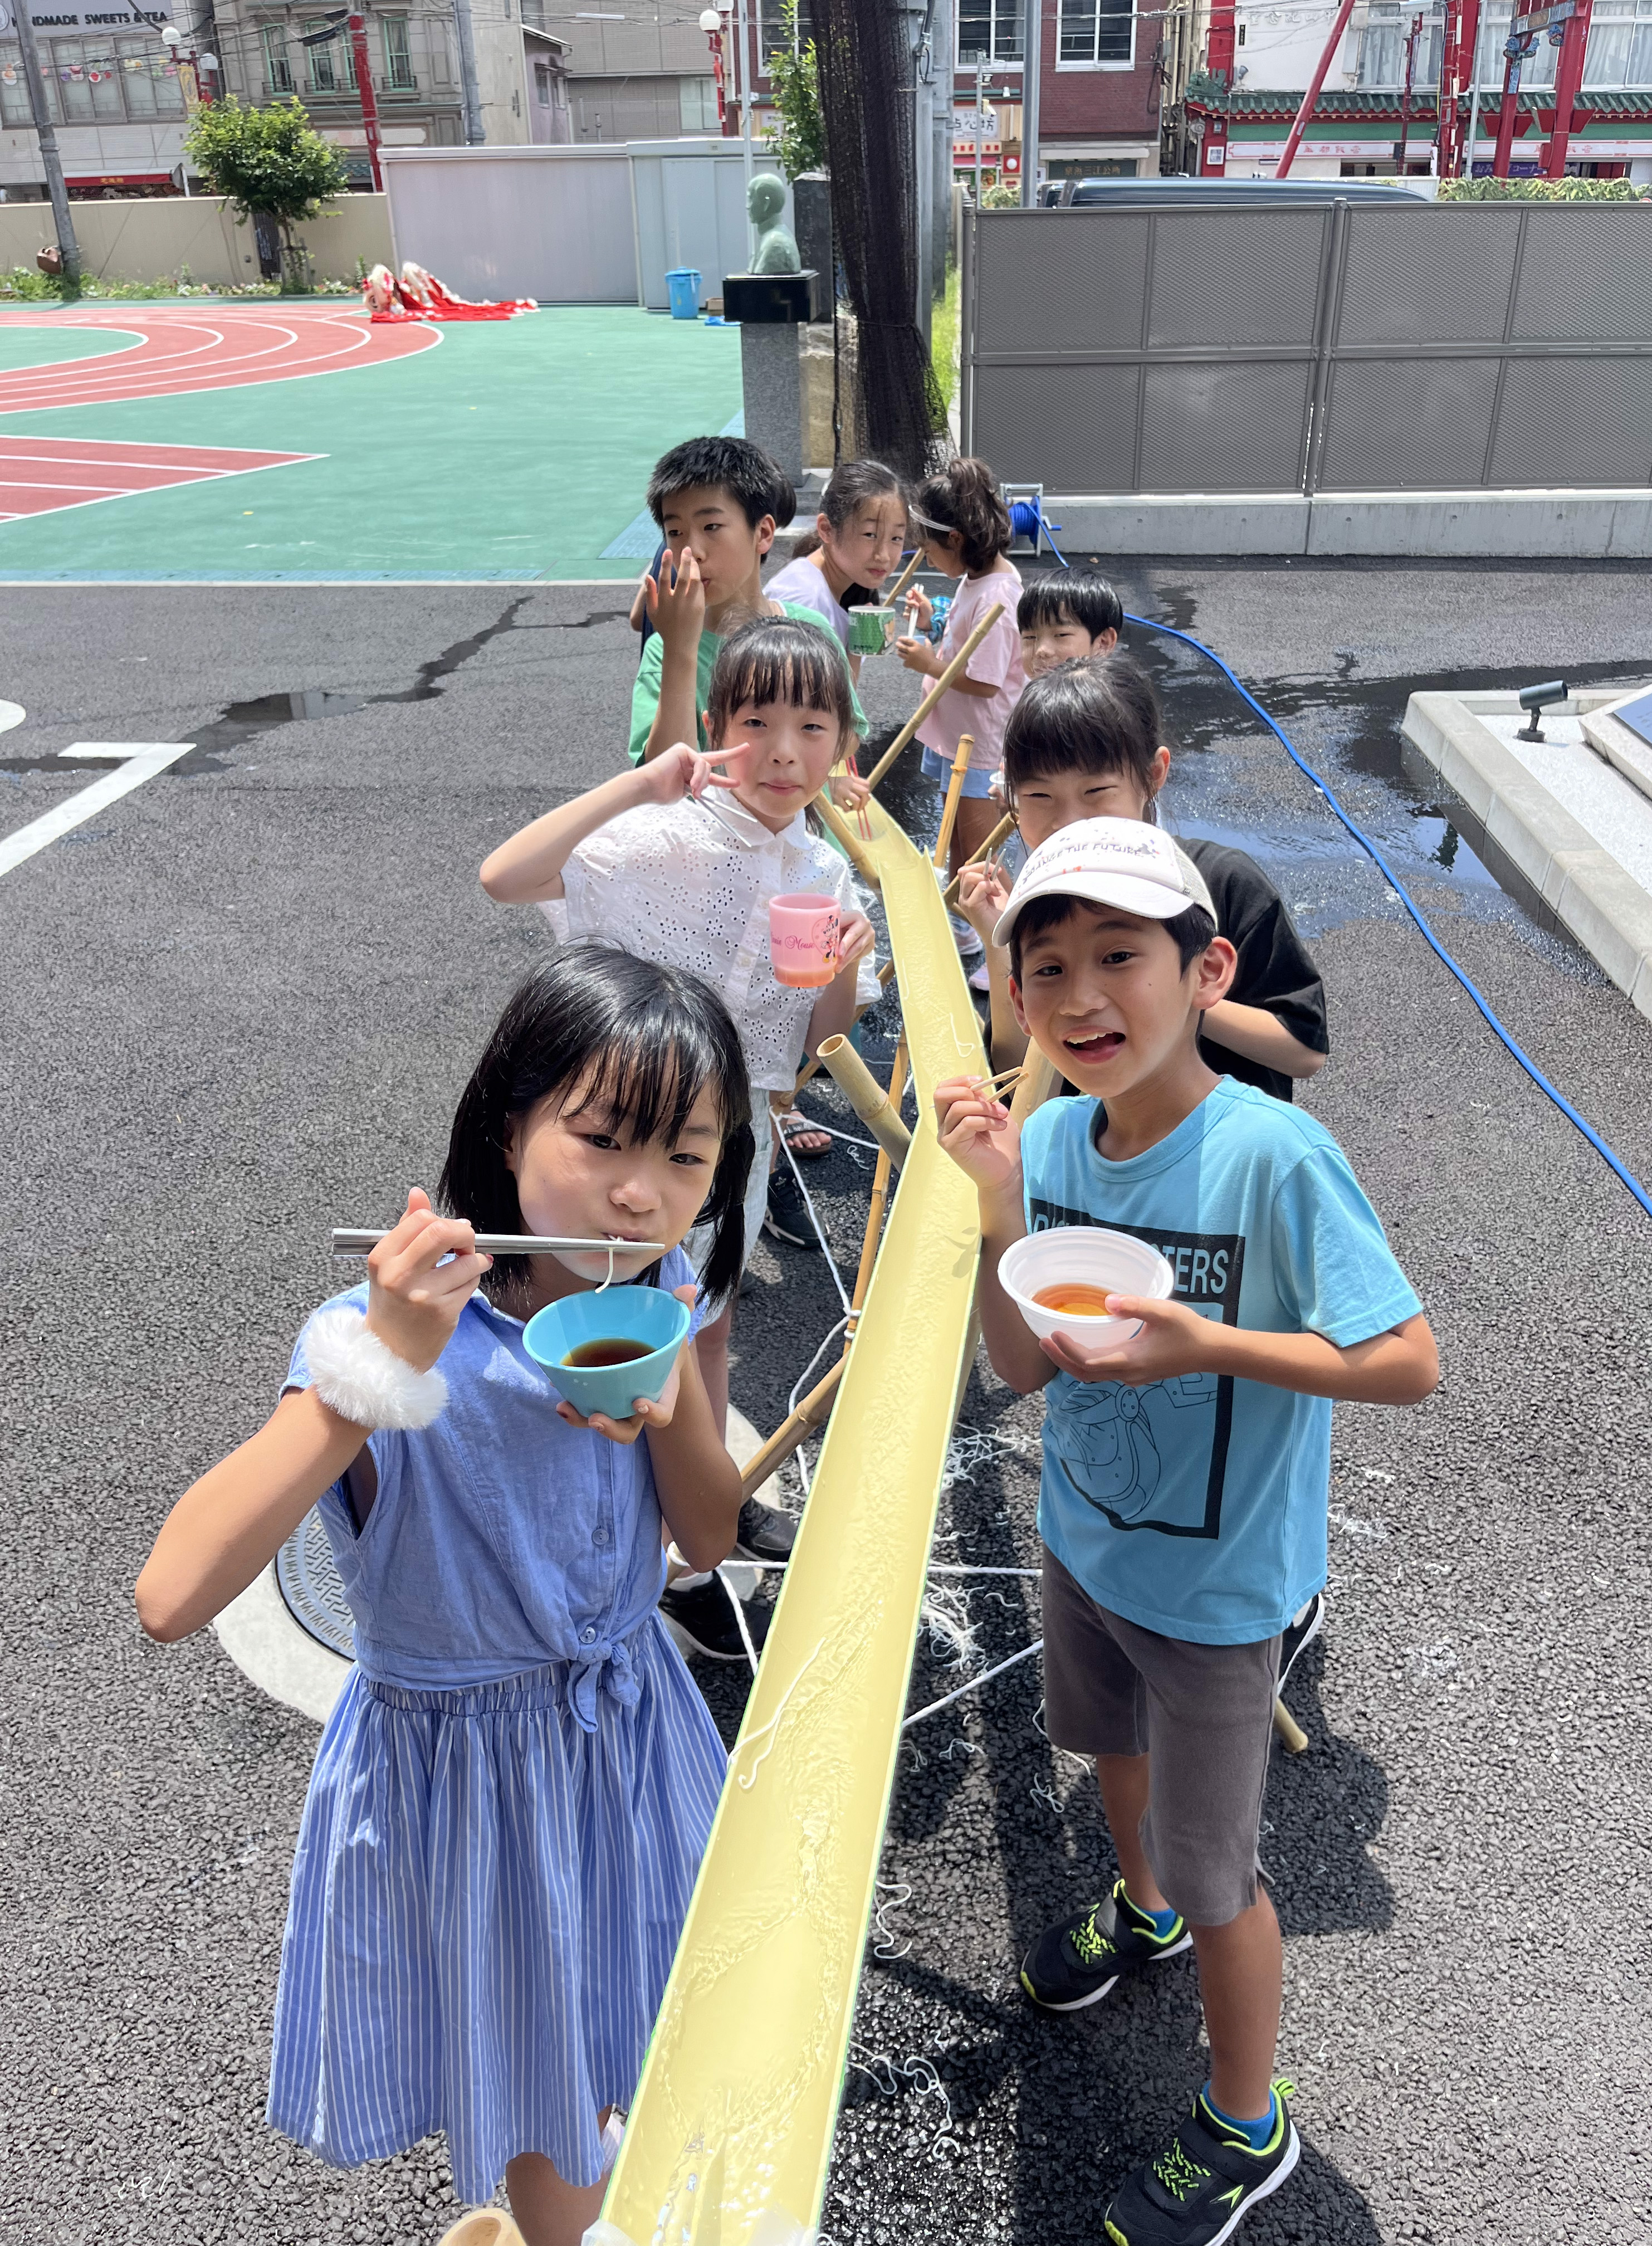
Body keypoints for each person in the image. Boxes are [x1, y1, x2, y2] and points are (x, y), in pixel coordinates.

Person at [134, 945, 757, 2246]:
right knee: (542, 2089)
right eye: (600, 1139)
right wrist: (376, 1369)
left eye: (687, 1159)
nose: (642, 1196)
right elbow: (175, 1590)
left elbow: (704, 1536)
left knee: (632, 2020)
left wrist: (668, 1414)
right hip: (470, 1785)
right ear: (509, 1123)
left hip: (629, 1734)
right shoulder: (386, 1337)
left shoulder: (662, 1295)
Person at [934, 821, 1438, 2246]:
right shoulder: (1044, 1143)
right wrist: (993, 1214)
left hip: (1220, 1593)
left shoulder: (1274, 1158)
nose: (1084, 998)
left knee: (1228, 1877)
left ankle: (1244, 2118)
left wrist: (1206, 1343)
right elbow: (1024, 1371)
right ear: (1019, 999)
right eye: (1049, 971)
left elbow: (1407, 1361)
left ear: (1206, 968)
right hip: (1086, 1539)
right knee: (1110, 1756)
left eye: (1119, 959)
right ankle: (1134, 1906)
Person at [479, 617, 877, 1655]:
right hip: (626, 1155)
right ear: (715, 728)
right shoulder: (661, 839)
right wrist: (643, 784)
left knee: (706, 1325)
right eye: (755, 721)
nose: (784, 750)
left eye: (811, 723)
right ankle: (637, 1565)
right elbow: (506, 875)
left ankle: (706, 1518)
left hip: (728, 1154)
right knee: (611, 1354)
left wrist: (843, 960)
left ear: (841, 742)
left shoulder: (825, 873)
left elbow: (821, 1043)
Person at [958, 658, 1330, 1104]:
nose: (1069, 821)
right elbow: (1015, 1073)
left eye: (1096, 792)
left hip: (1216, 1160)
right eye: (1040, 796)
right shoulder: (1035, 903)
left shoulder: (1225, 883)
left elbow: (1304, 1052)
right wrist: (997, 942)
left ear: (1153, 775)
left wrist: (1176, 994)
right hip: (1100, 1161)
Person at [629, 433, 869, 769]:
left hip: (801, 823)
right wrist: (680, 650)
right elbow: (661, 776)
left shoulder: (811, 629)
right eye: (676, 532)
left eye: (711, 526)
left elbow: (849, 735)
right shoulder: (664, 651)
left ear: (764, 533)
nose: (692, 551)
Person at [895, 456, 1026, 976]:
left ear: (953, 538)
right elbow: (966, 641)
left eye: (928, 547)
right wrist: (933, 623)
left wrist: (929, 661)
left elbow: (988, 680)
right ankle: (965, 929)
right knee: (959, 843)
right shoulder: (979, 577)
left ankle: (1006, 950)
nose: (924, 557)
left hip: (981, 744)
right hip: (959, 736)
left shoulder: (1000, 592)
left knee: (980, 853)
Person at [764, 458, 910, 678]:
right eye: (870, 534)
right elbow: (799, 707)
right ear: (827, 529)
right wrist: (855, 655)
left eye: (896, 538)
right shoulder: (804, 602)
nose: (884, 555)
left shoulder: (840, 585)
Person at [1016, 563, 1122, 679]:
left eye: (1061, 635)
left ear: (1104, 643)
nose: (1041, 650)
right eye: (1030, 637)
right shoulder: (1032, 695)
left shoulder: (1115, 696)